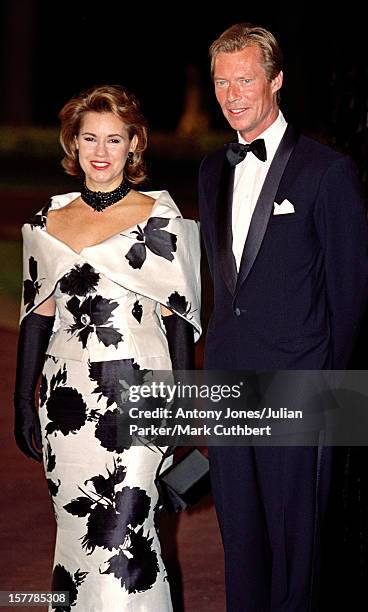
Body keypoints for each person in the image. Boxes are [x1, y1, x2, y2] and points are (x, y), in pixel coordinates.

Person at [198, 23, 368, 611]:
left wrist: (330, 396)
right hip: (227, 385)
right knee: (240, 542)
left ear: (276, 80)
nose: (232, 95)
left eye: (245, 79)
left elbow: (350, 297)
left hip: (301, 385)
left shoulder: (328, 171)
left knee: (300, 551)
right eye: (222, 82)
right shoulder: (211, 171)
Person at [13, 84, 201, 611]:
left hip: (140, 393)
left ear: (134, 145)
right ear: (72, 143)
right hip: (65, 404)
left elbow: (179, 322)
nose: (100, 152)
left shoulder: (161, 219)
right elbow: (37, 316)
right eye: (89, 138)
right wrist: (20, 400)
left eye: (114, 140)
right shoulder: (48, 221)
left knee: (125, 531)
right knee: (78, 536)